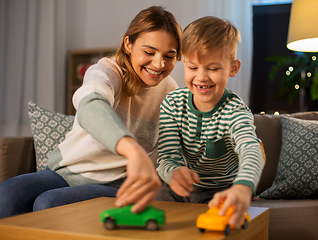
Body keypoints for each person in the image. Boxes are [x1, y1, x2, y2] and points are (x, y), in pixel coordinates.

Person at [0, 6, 182, 219]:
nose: (159, 64)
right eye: (149, 52)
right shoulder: (107, 70)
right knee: (6, 194)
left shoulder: (170, 90)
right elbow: (90, 104)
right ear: (128, 44)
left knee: (49, 203)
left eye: (169, 56)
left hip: (116, 183)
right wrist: (132, 150)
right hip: (64, 173)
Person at [155, 16, 265, 228]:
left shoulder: (235, 111)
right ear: (184, 63)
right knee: (154, 216)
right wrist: (174, 173)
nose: (201, 77)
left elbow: (252, 150)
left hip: (220, 191)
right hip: (178, 190)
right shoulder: (171, 104)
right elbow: (166, 158)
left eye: (213, 68)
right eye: (193, 67)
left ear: (233, 68)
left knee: (220, 224)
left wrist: (243, 187)